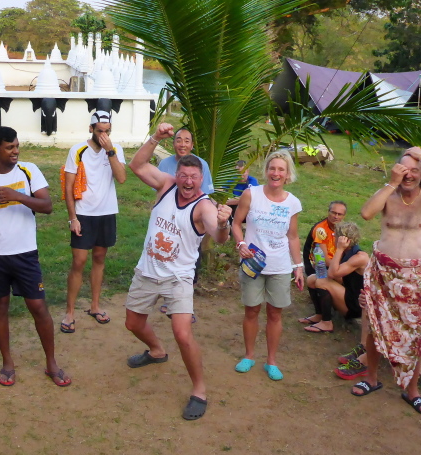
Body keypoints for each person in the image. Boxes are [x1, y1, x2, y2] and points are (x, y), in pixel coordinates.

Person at [123, 122, 232, 420]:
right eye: (183, 175)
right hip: (147, 271)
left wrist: (224, 223)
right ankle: (156, 351)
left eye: (194, 177)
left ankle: (199, 391)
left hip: (178, 278)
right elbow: (136, 165)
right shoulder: (166, 185)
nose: (187, 181)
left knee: (183, 334)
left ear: (201, 179)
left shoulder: (204, 206)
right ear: (177, 174)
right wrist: (155, 137)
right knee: (132, 323)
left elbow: (219, 237)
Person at [350, 147, 421, 416]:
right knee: (375, 327)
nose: (409, 175)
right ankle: (371, 378)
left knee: (416, 334)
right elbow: (366, 213)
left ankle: (412, 390)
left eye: (415, 171)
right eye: (404, 169)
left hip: (413, 277)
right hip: (382, 273)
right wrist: (391, 183)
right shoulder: (388, 195)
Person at [0, 127, 70, 387]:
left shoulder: (28, 171)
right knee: (0, 307)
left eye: (16, 146)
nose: (15, 151)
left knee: (38, 307)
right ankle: (7, 363)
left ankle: (51, 363)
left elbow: (47, 206)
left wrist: (17, 196)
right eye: (9, 147)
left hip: (25, 254)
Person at [336, 241, 421, 380]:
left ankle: (365, 361)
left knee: (395, 324)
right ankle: (364, 347)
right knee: (373, 304)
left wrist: (405, 307)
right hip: (412, 319)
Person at [232, 150, 303, 381]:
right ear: (266, 171)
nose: (276, 173)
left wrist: (298, 266)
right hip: (253, 264)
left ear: (287, 174)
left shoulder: (292, 202)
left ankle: (271, 360)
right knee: (251, 310)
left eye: (281, 169)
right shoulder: (251, 194)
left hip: (280, 267)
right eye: (272, 168)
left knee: (275, 313)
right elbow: (236, 223)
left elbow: (293, 236)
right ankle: (249, 356)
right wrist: (241, 243)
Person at [61, 110, 126, 333]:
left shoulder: (115, 150)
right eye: (100, 131)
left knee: (99, 258)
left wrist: (110, 151)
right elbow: (68, 187)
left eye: (107, 131)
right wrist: (73, 218)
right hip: (84, 213)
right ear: (91, 129)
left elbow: (122, 178)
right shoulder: (78, 150)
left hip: (106, 213)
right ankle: (69, 311)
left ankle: (95, 306)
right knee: (78, 261)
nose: (104, 136)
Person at [300, 221, 368, 335]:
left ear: (343, 239)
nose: (334, 238)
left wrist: (339, 249)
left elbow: (332, 274)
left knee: (322, 282)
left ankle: (327, 323)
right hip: (347, 294)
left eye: (335, 236)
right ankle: (319, 315)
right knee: (312, 279)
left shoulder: (359, 257)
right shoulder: (348, 252)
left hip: (355, 304)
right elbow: (339, 277)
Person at [156, 127, 214, 196]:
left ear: (192, 145)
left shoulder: (202, 164)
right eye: (179, 141)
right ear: (173, 144)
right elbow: (158, 191)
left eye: (187, 141)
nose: (182, 145)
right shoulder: (164, 164)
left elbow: (205, 194)